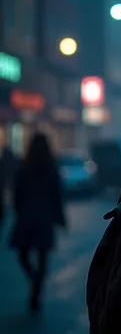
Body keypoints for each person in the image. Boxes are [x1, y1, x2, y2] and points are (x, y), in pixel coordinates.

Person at [9, 131, 67, 313]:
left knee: (23, 254)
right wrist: (60, 218)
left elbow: (17, 194)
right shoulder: (51, 168)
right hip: (44, 217)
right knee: (42, 257)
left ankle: (34, 284)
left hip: (27, 216)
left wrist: (19, 211)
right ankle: (36, 289)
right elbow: (56, 196)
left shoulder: (24, 168)